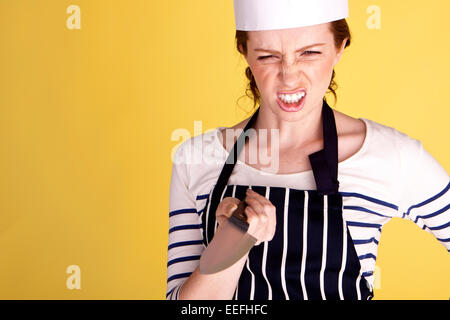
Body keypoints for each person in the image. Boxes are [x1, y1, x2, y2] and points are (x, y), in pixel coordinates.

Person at [166, 0, 450, 300]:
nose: (289, 76)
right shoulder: (196, 159)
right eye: (267, 56)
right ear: (244, 52)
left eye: (310, 52)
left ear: (340, 47)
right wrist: (232, 242)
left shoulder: (393, 156)